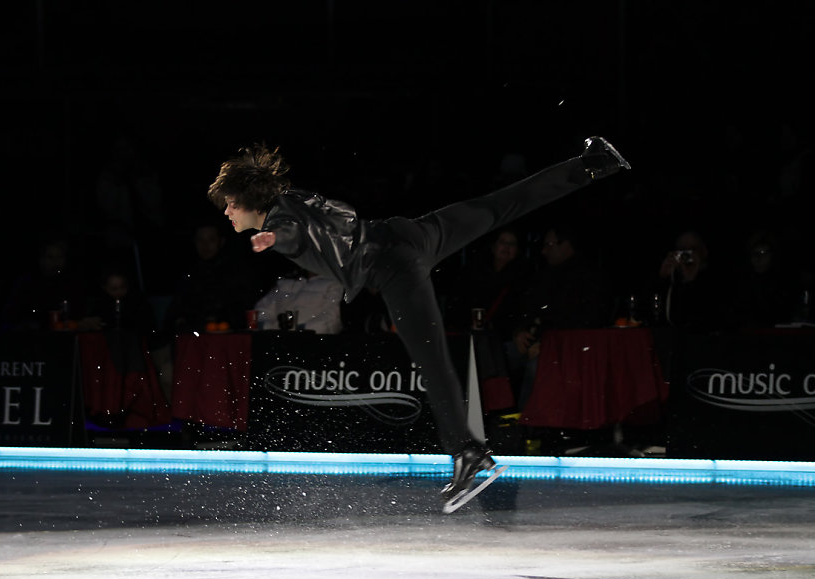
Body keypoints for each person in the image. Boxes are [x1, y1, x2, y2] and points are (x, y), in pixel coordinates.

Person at [207, 137, 630, 505]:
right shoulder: (292, 199)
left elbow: (295, 235)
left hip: (393, 266)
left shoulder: (280, 221)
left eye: (229, 204)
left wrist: (273, 239)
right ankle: (592, 164)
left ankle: (467, 452)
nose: (226, 212)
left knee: (432, 360)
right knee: (496, 208)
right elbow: (325, 220)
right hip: (409, 233)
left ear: (249, 200)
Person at [509, 225, 613, 408]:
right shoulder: (544, 275)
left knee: (538, 367)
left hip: (568, 349)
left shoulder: (587, 276)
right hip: (537, 342)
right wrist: (520, 332)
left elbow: (586, 320)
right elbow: (529, 310)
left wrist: (546, 342)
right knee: (496, 360)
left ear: (566, 245)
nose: (544, 250)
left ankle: (527, 425)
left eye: (549, 244)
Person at [253, 267, 344, 333]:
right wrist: (267, 326)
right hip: (277, 340)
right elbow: (262, 310)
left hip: (311, 342)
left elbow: (332, 317)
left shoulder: (333, 284)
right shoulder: (286, 283)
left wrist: (303, 330)